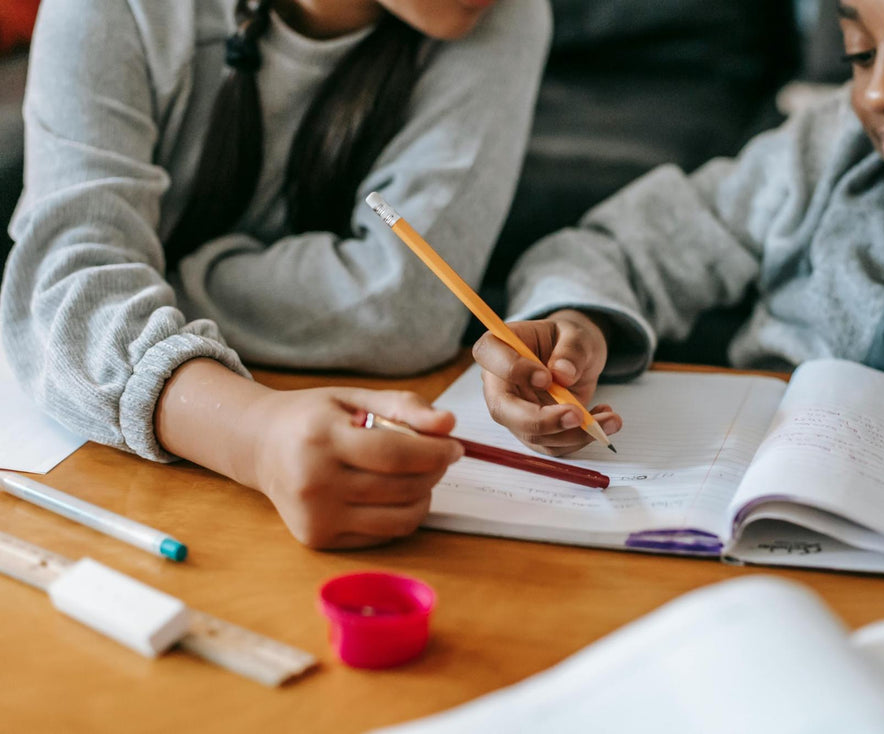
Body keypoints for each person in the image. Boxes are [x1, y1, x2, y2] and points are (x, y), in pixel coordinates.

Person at [0, 0, 550, 548]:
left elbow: (405, 305)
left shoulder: (504, 14)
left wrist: (152, 280)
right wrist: (253, 433)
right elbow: (63, 291)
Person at [473, 0, 884, 456]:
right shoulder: (826, 149)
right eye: (859, 52)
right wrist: (579, 325)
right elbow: (613, 247)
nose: (878, 92)